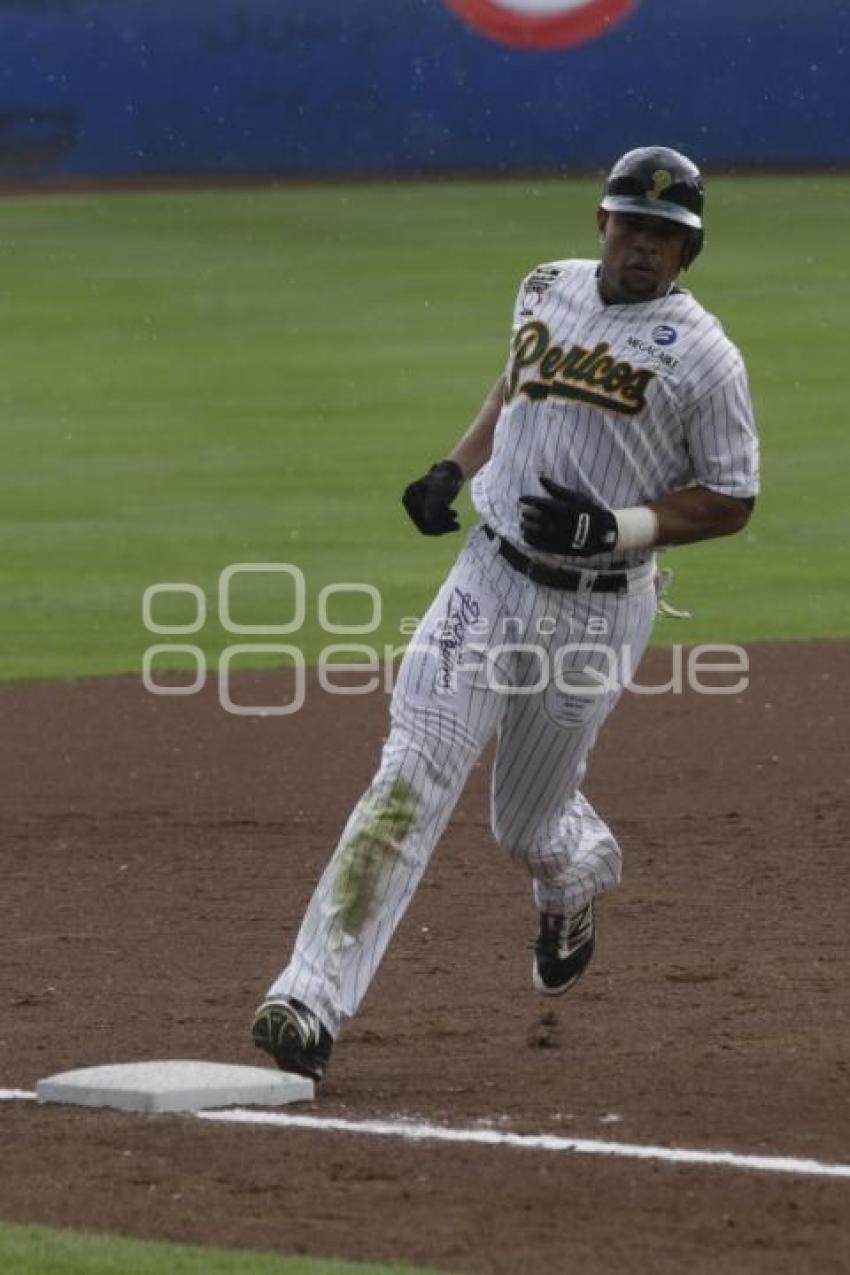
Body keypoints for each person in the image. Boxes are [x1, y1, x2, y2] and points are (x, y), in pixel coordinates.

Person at [252, 146, 760, 1082]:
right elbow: (513, 388)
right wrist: (456, 464)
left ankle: (573, 871)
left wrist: (616, 524)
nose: (645, 247)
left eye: (667, 235)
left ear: (690, 251)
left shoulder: (705, 358)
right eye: (632, 226)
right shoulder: (544, 287)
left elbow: (732, 499)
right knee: (410, 774)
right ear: (600, 222)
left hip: (597, 612)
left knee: (523, 826)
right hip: (486, 579)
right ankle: (308, 997)